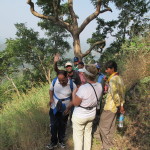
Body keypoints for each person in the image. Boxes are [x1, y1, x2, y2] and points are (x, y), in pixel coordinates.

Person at [72, 65, 103, 150]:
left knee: (78, 138)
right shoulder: (100, 86)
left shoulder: (83, 88)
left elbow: (75, 103)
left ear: (86, 75)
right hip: (91, 114)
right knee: (88, 134)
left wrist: (74, 93)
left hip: (80, 116)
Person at [47, 70, 76, 149]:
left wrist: (69, 107)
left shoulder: (72, 85)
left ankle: (61, 141)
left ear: (67, 77)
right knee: (53, 125)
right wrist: (51, 99)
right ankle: (53, 142)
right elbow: (51, 90)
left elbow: (74, 99)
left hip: (65, 108)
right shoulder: (55, 81)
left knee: (62, 125)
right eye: (59, 80)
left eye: (63, 80)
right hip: (54, 107)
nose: (61, 82)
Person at [99, 60, 125, 150]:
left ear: (112, 69)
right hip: (115, 107)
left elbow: (115, 94)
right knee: (111, 125)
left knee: (103, 126)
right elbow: (122, 93)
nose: (106, 71)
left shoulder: (113, 79)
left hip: (110, 106)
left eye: (107, 69)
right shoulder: (118, 78)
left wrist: (118, 105)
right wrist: (121, 105)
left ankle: (106, 147)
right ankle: (109, 143)